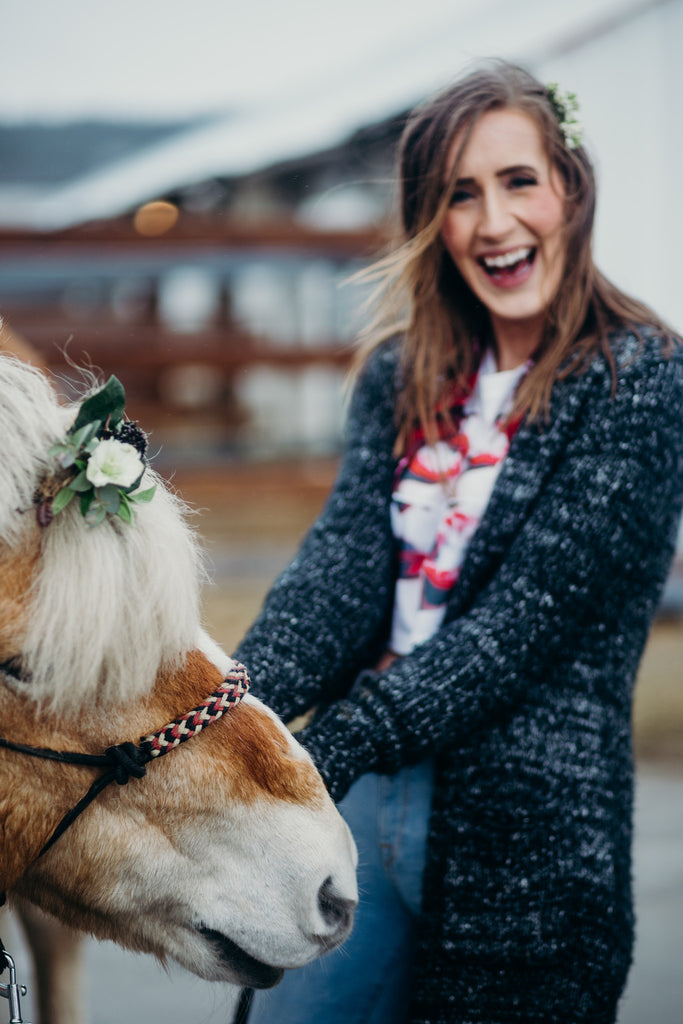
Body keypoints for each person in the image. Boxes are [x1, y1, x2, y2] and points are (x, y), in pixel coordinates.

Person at [233, 60, 683, 1024]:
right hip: (356, 810)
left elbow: (524, 624)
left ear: (571, 188)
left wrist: (333, 742)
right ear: (430, 221)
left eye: (518, 181)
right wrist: (229, 708)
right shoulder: (401, 374)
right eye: (458, 195)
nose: (492, 223)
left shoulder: (640, 381)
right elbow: (343, 569)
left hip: (522, 834)